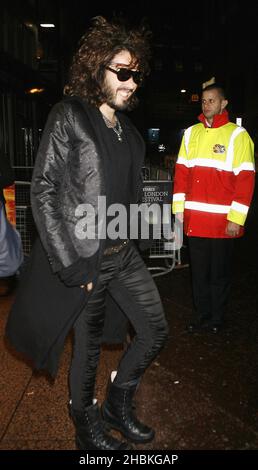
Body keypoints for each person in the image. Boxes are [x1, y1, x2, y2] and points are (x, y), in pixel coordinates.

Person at [6, 16, 168, 450]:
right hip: (84, 256)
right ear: (99, 69)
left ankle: (118, 402)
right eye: (123, 71)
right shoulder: (70, 116)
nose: (132, 82)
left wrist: (148, 229)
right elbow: (42, 190)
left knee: (155, 329)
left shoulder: (131, 135)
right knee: (89, 348)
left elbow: (129, 197)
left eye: (137, 74)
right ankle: (84, 422)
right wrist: (72, 264)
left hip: (122, 252)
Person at [172, 83, 255, 334]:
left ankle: (217, 319)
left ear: (223, 104)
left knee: (219, 275)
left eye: (212, 100)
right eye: (204, 100)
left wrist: (236, 219)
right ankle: (202, 316)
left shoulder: (237, 136)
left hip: (222, 223)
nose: (206, 104)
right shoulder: (191, 133)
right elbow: (181, 174)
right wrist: (179, 210)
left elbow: (246, 179)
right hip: (196, 220)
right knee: (198, 275)